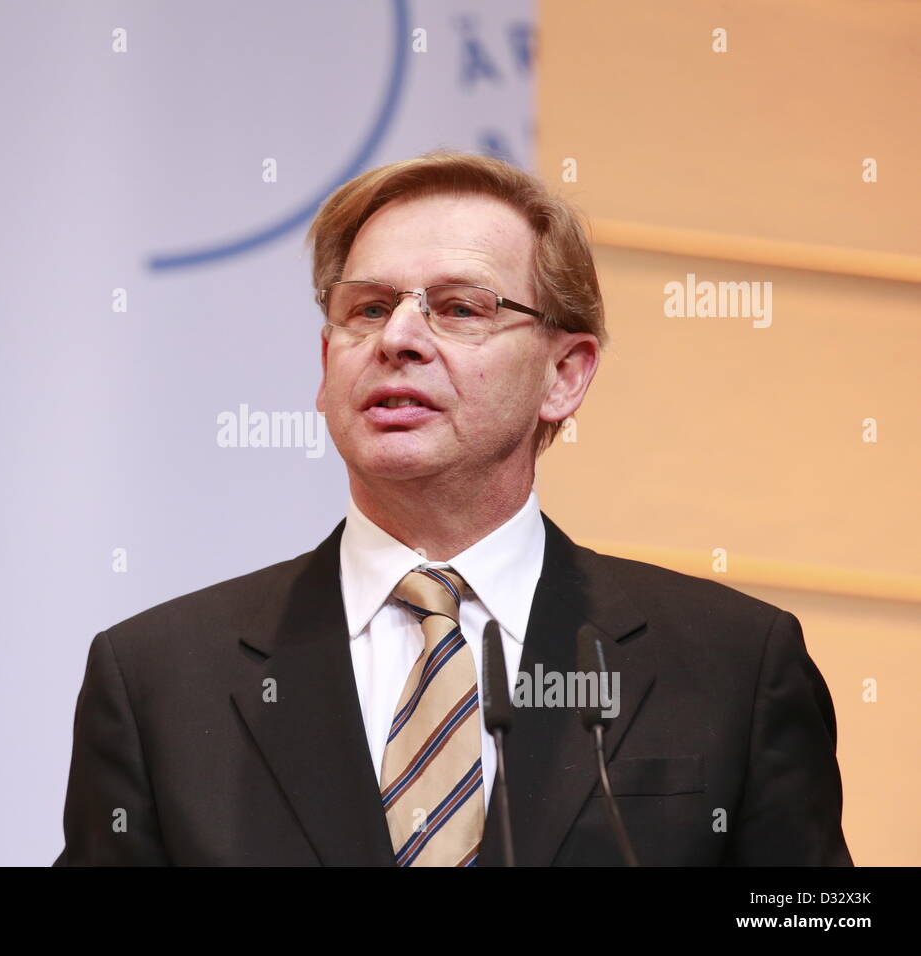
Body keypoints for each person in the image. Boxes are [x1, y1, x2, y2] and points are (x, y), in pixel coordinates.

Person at [52, 150, 852, 866]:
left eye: (461, 307)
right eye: (366, 309)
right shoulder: (161, 679)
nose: (399, 337)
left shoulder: (733, 667)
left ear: (565, 374)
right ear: (326, 364)